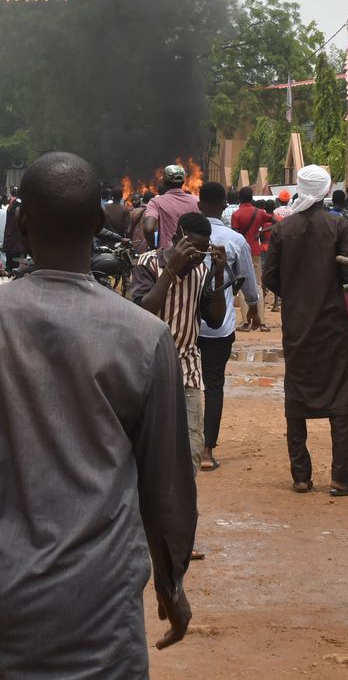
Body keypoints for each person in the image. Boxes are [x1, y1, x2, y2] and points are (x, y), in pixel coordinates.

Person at [0, 152, 196, 679]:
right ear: (99, 225)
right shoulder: (145, 337)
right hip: (104, 610)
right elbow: (167, 490)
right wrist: (171, 582)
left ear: (21, 224)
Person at [263, 165, 348, 496]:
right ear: (325, 191)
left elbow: (270, 277)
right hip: (335, 327)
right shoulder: (338, 225)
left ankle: (301, 476)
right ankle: (339, 477)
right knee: (340, 400)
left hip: (297, 326)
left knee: (297, 396)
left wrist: (293, 293)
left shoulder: (282, 230)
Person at [128, 213, 225, 495]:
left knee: (192, 447)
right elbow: (144, 310)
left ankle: (177, 505)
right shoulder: (149, 263)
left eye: (203, 250)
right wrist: (170, 270)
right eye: (193, 248)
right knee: (148, 445)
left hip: (187, 366)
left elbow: (215, 320)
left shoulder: (202, 272)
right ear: (177, 237)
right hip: (147, 368)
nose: (197, 257)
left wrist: (218, 273)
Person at [198, 182, 261, 471]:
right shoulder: (234, 240)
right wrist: (253, 309)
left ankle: (180, 445)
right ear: (224, 206)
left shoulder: (186, 236)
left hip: (186, 325)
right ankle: (208, 450)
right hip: (219, 327)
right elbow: (247, 281)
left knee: (182, 385)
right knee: (214, 384)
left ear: (199, 206)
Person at [142, 164, 200, 250]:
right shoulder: (197, 201)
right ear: (183, 182)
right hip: (192, 254)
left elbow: (148, 229)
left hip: (168, 257)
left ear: (164, 182)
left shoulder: (156, 202)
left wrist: (153, 248)